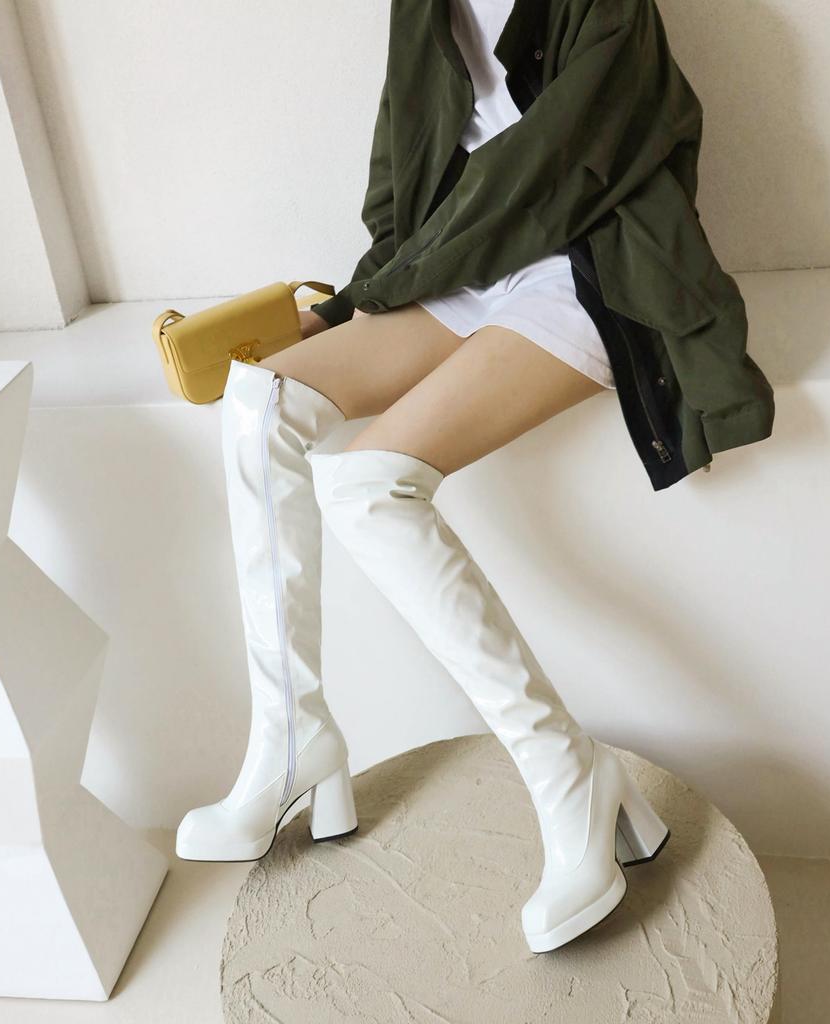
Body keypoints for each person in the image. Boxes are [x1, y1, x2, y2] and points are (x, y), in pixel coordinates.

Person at [176, 0, 673, 954]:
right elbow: (399, 180)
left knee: (367, 488)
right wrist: (348, 306)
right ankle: (292, 741)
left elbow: (560, 169)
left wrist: (388, 287)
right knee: (259, 403)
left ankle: (569, 776)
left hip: (589, 265)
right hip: (462, 271)